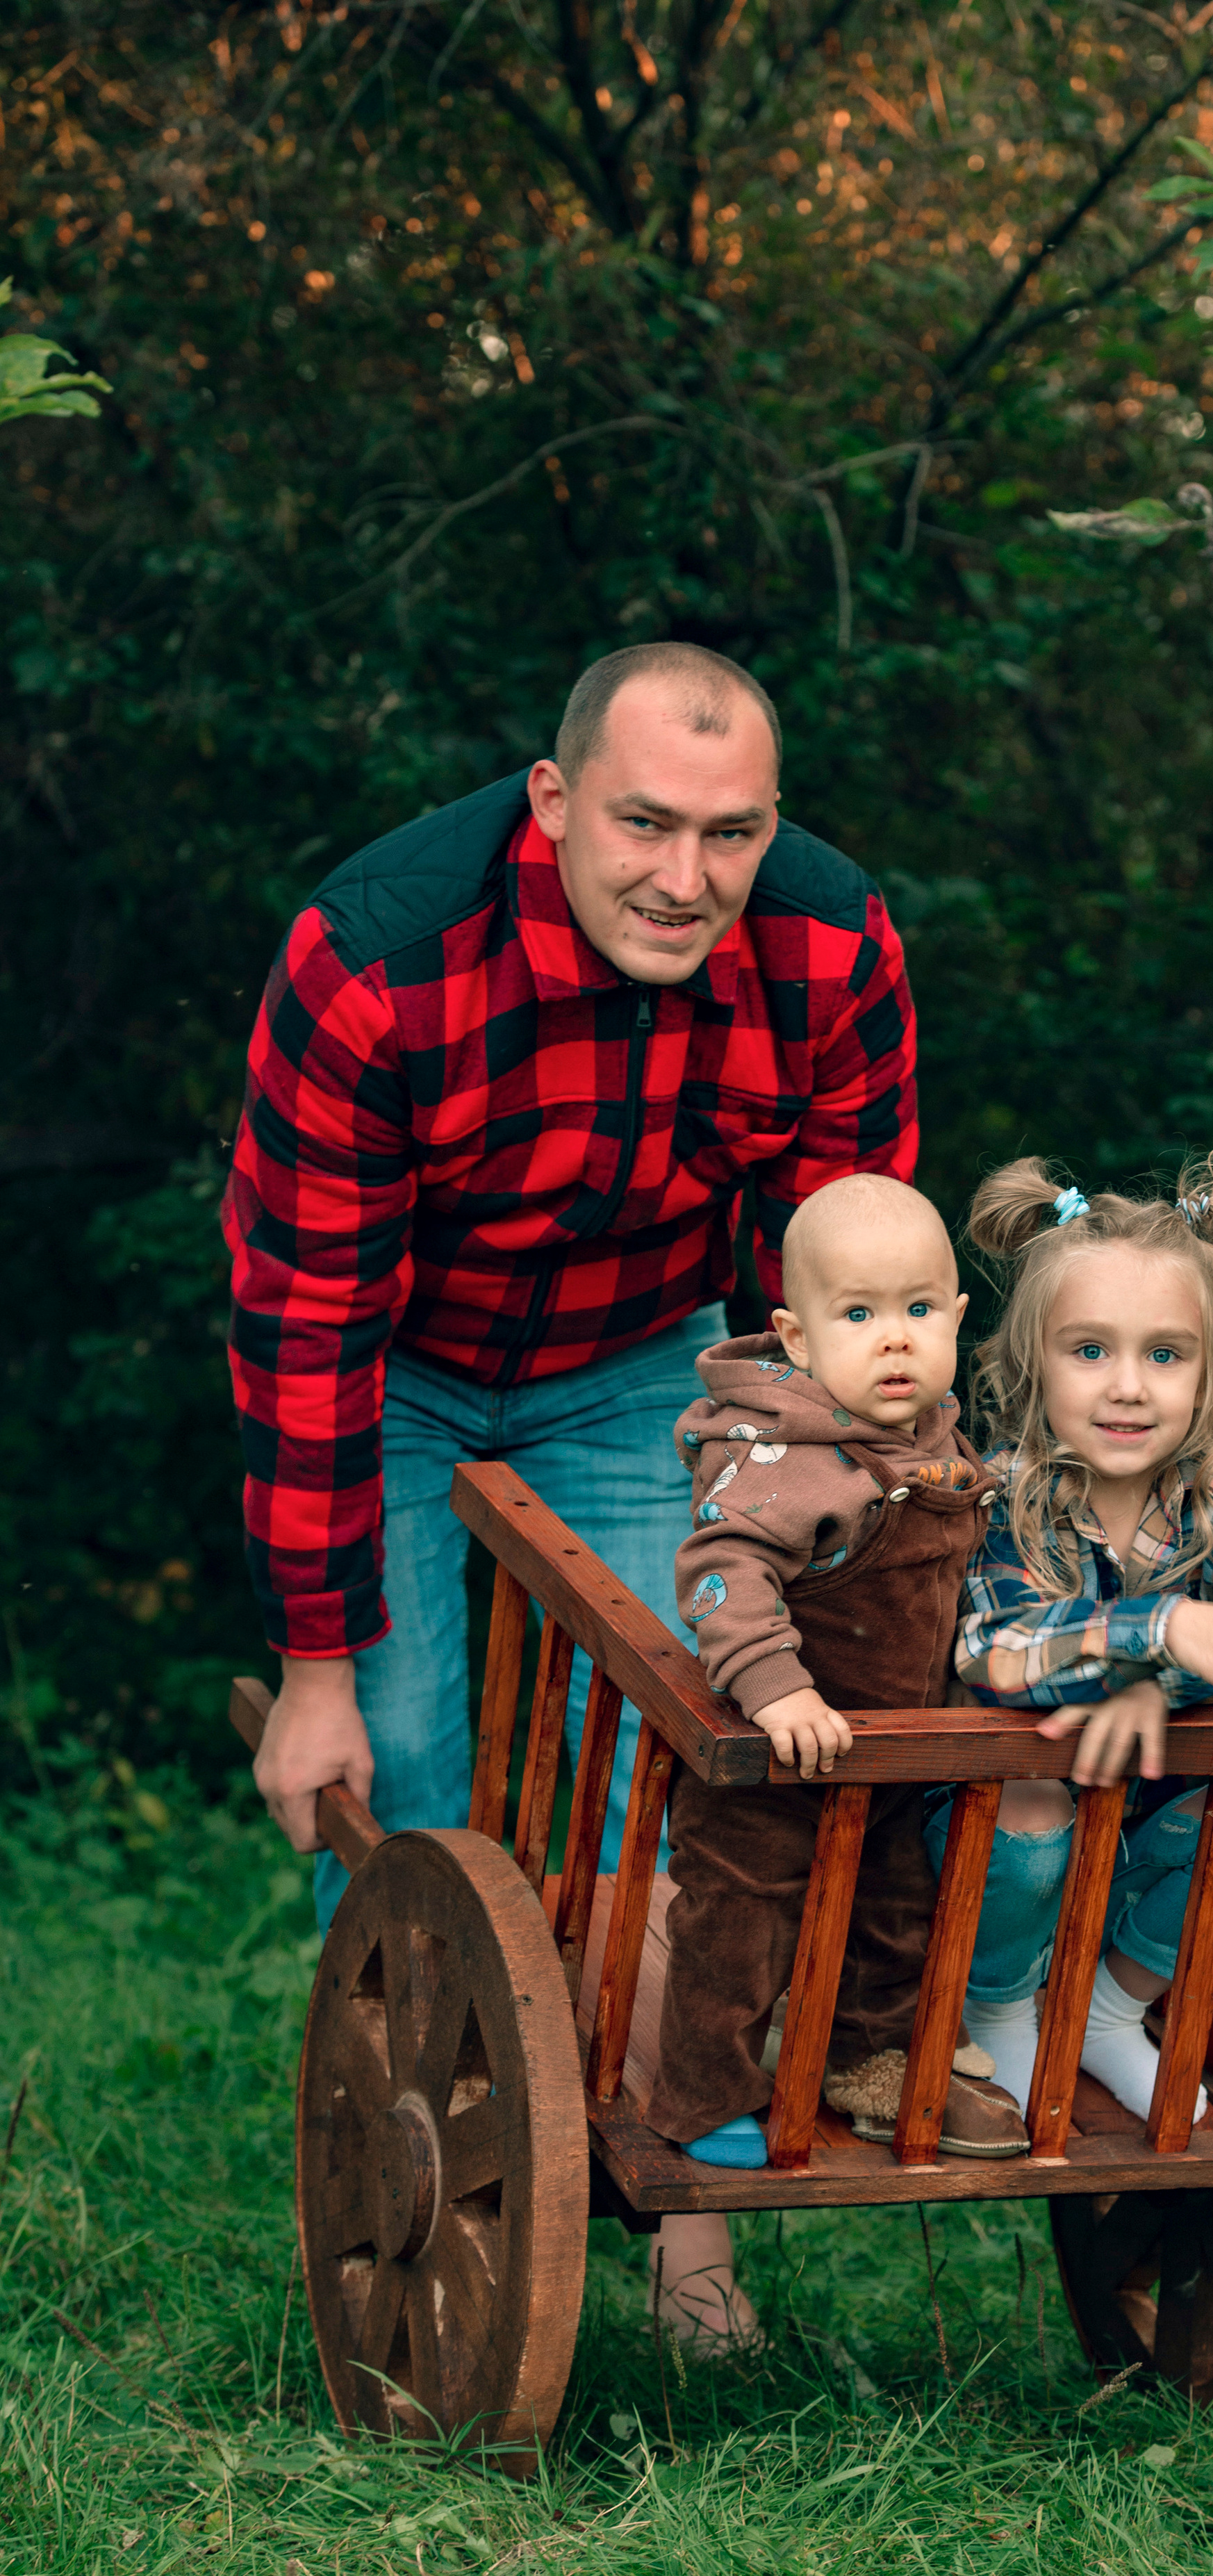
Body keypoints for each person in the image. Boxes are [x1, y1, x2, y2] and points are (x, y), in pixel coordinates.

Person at [223, 641, 918, 2349]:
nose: (685, 878)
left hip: (636, 1360)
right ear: (551, 802)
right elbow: (306, 1330)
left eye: (731, 833)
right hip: (391, 1364)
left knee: (662, 1765)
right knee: (413, 1786)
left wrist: (820, 1540)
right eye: (642, 824)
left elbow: (840, 1281)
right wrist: (314, 1673)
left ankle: (684, 2226)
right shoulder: (375, 956)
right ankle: (412, 2221)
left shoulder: (831, 948)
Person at [932, 1151, 1213, 2120]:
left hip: (1136, 1848)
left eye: (1165, 1354)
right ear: (1034, 1357)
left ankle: (1114, 2010)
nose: (1128, 1387)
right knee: (1029, 1802)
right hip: (997, 1858)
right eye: (1091, 1351)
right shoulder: (1000, 1499)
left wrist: (1157, 1682)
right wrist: (1161, 1627)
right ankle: (997, 2014)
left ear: (1209, 1370)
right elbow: (992, 1649)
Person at [650, 1174, 1029, 2167]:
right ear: (799, 1338)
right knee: (739, 1925)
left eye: (915, 1311)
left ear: (954, 1320)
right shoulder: (781, 1458)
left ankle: (865, 2063)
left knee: (896, 1914)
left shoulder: (937, 1438)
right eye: (858, 1314)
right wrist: (779, 1689)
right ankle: (705, 2093)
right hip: (776, 1758)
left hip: (894, 1754)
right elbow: (720, 1573)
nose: (893, 1338)